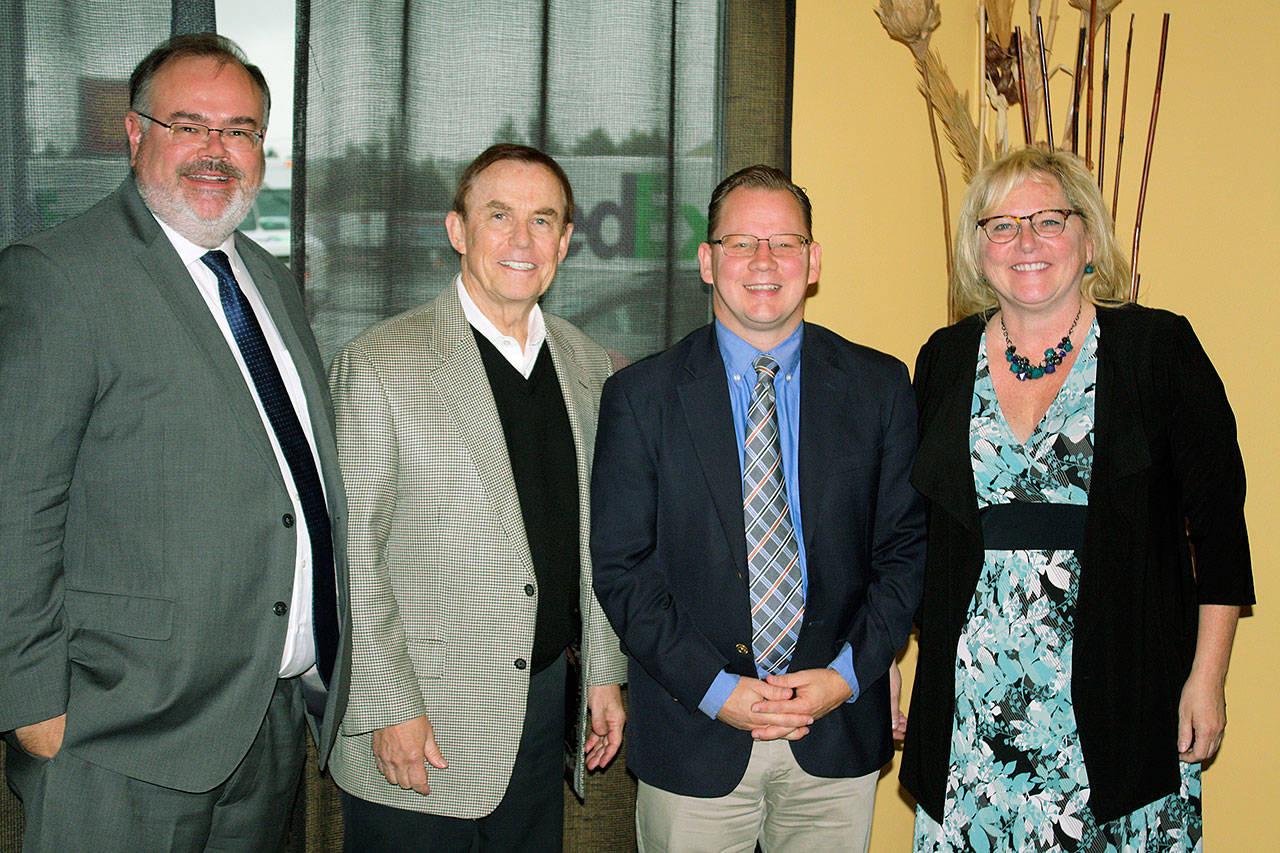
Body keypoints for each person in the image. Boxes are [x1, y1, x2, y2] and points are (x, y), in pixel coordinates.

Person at [0, 33, 350, 851]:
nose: (215, 151)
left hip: (264, 720)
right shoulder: (59, 276)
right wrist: (30, 703)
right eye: (189, 124)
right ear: (134, 133)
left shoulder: (268, 279)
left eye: (239, 131)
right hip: (118, 732)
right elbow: (15, 502)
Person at [900, 146, 1254, 850]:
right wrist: (890, 657)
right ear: (978, 248)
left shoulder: (1158, 348)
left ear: (1088, 236)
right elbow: (913, 534)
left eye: (1049, 220)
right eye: (1001, 225)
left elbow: (1219, 537)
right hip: (975, 710)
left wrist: (1206, 679)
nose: (1026, 242)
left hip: (1126, 697)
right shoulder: (941, 358)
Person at [591, 165, 926, 852]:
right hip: (694, 732)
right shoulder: (640, 396)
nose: (765, 262)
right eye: (742, 242)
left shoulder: (882, 386)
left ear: (814, 261)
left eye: (785, 242)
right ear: (708, 261)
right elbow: (623, 569)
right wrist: (718, 690)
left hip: (834, 728)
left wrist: (845, 677)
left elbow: (906, 552)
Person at [327, 143, 627, 852]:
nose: (522, 240)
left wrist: (605, 675)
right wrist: (387, 707)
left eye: (543, 219)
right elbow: (350, 557)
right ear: (458, 230)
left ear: (566, 239)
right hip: (420, 727)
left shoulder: (586, 363)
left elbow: (601, 534)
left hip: (542, 715)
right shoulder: (377, 364)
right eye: (499, 216)